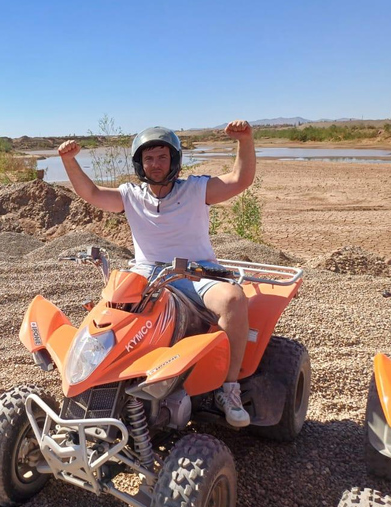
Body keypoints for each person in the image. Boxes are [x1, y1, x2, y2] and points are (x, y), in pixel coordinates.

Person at [57, 120, 255, 427]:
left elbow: (239, 180)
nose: (156, 164)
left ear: (174, 160)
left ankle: (228, 389)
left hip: (195, 272)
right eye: (149, 158)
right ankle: (95, 380)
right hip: (147, 272)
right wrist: (69, 161)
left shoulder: (196, 188)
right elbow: (92, 193)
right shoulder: (131, 195)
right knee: (111, 308)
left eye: (162, 157)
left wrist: (245, 140)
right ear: (140, 163)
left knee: (232, 298)